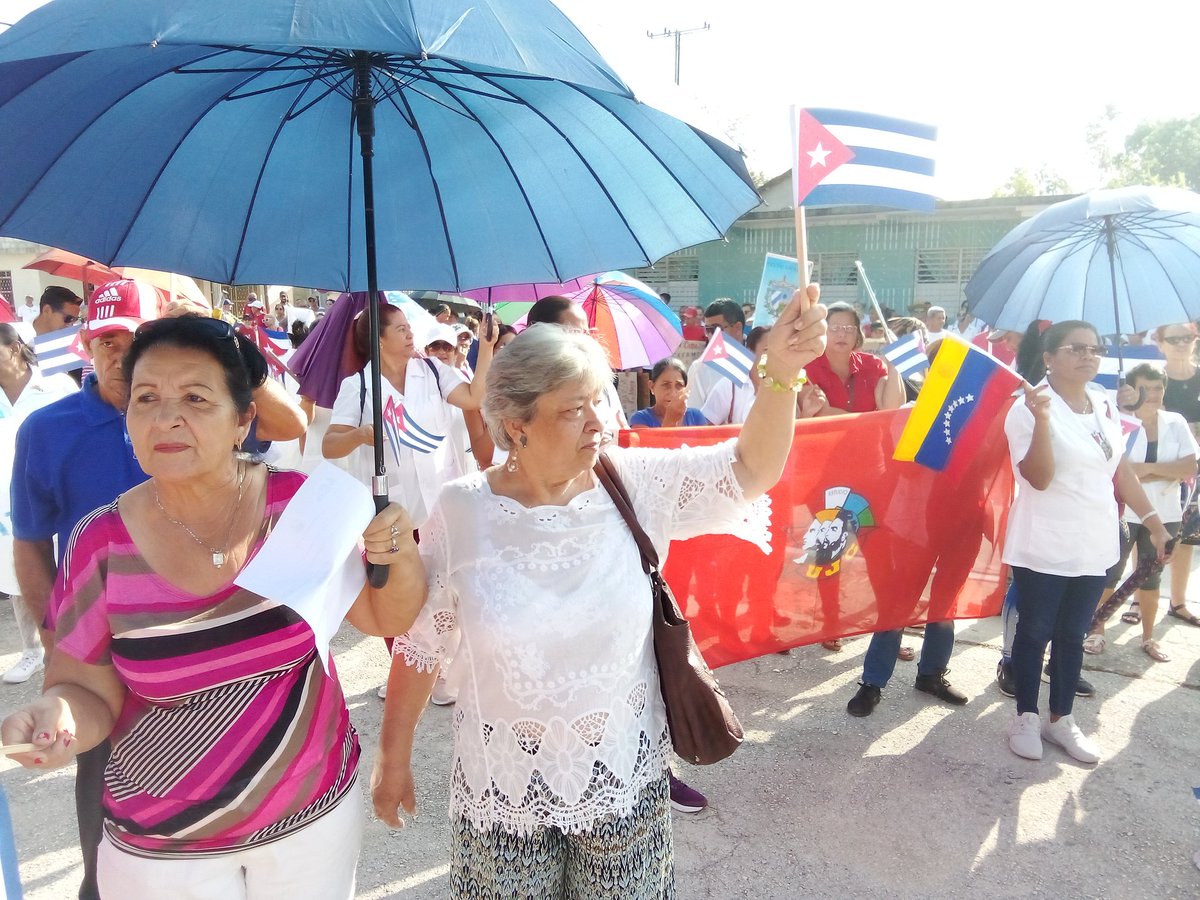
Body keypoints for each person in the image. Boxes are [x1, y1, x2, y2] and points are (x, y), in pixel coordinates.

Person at [371, 287, 827, 897]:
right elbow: (423, 644)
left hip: (623, 786)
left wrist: (779, 374)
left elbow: (748, 470)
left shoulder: (633, 483)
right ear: (516, 425)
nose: (599, 421)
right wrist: (392, 760)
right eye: (571, 410)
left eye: (597, 401)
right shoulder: (463, 508)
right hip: (501, 792)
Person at [1, 315, 427, 899]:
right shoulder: (100, 544)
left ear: (243, 419)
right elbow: (85, 689)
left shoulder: (296, 507)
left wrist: (396, 554)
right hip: (161, 846)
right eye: (146, 397)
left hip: (311, 818)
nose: (166, 417)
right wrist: (59, 717)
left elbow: (387, 618)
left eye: (196, 398)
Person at [9, 281, 305, 900]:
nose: (118, 354)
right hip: (108, 651)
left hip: (229, 666)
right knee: (112, 833)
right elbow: (32, 541)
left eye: (132, 338)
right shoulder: (47, 429)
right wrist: (57, 634)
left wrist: (215, 334)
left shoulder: (205, 406)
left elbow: (286, 421)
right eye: (106, 341)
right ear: (86, 346)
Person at [1004, 320, 1169, 764]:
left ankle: (1060, 718)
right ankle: (1025, 715)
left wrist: (1153, 521)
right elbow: (1037, 478)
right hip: (1045, 539)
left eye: (1094, 349)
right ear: (1050, 357)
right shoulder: (1027, 406)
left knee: (1073, 635)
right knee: (1036, 630)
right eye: (1076, 349)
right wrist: (1041, 421)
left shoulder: (1103, 404)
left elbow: (1119, 470)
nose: (1088, 356)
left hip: (1094, 541)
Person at [323, 305, 495, 530]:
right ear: (379, 339)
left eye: (409, 328)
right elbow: (329, 446)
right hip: (394, 516)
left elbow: (474, 398)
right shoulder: (358, 386)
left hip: (443, 507)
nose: (410, 335)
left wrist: (486, 347)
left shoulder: (432, 370)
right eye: (401, 329)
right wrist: (359, 435)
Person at [804, 303, 904, 652]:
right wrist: (865, 417)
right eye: (835, 327)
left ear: (859, 333)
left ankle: (889, 628)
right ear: (824, 332)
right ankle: (829, 624)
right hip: (824, 476)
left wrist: (895, 368)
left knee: (879, 553)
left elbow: (890, 408)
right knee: (828, 550)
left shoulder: (873, 365)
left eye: (849, 327)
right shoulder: (809, 368)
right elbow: (811, 417)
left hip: (870, 473)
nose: (842, 333)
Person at [1085, 365, 1199, 660]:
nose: (1153, 395)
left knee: (1152, 577)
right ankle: (1096, 631)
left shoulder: (1175, 422)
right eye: (1144, 388)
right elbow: (1118, 470)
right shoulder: (1119, 423)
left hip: (1164, 514)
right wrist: (1162, 472)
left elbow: (1188, 467)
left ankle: (1149, 638)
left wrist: (1145, 470)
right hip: (1122, 511)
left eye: (1159, 388)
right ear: (1131, 390)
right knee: (1109, 573)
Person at [0, 324, 77, 685]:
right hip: (5, 502)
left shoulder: (56, 385)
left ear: (14, 348)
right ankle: (35, 650)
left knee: (67, 571)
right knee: (17, 575)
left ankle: (76, 647)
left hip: (54, 496)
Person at [686, 299, 751, 418]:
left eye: (716, 329)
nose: (711, 336)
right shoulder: (700, 368)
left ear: (737, 327)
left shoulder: (760, 358)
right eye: (707, 330)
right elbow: (695, 416)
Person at [630, 358, 709, 428]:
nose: (673, 393)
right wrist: (671, 420)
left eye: (679, 385)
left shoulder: (696, 417)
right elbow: (651, 444)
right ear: (652, 387)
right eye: (666, 385)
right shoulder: (640, 419)